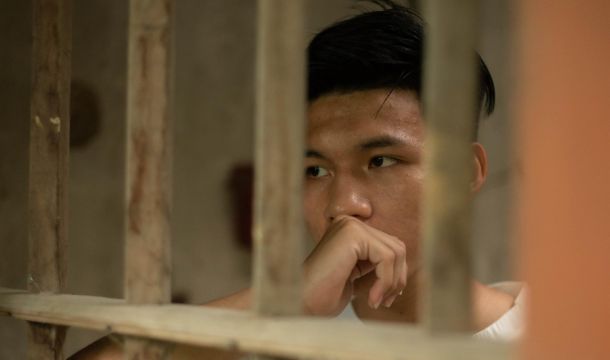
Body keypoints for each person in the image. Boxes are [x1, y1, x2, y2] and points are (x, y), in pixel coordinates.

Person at [71, 1, 523, 358]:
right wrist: (284, 305)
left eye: (382, 161)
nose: (343, 205)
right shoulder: (266, 340)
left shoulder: (564, 334)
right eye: (316, 171)